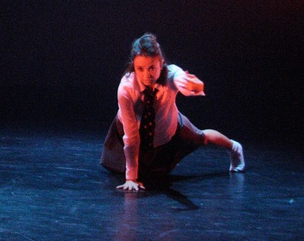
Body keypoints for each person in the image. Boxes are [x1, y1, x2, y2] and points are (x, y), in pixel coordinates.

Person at [100, 33, 245, 191]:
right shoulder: (126, 88)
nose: (146, 75)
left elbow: (181, 78)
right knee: (138, 172)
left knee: (201, 137)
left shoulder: (171, 74)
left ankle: (234, 147)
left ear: (161, 63)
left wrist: (191, 85)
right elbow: (131, 136)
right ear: (133, 66)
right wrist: (131, 178)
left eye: (152, 68)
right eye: (140, 69)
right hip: (131, 131)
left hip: (168, 126)